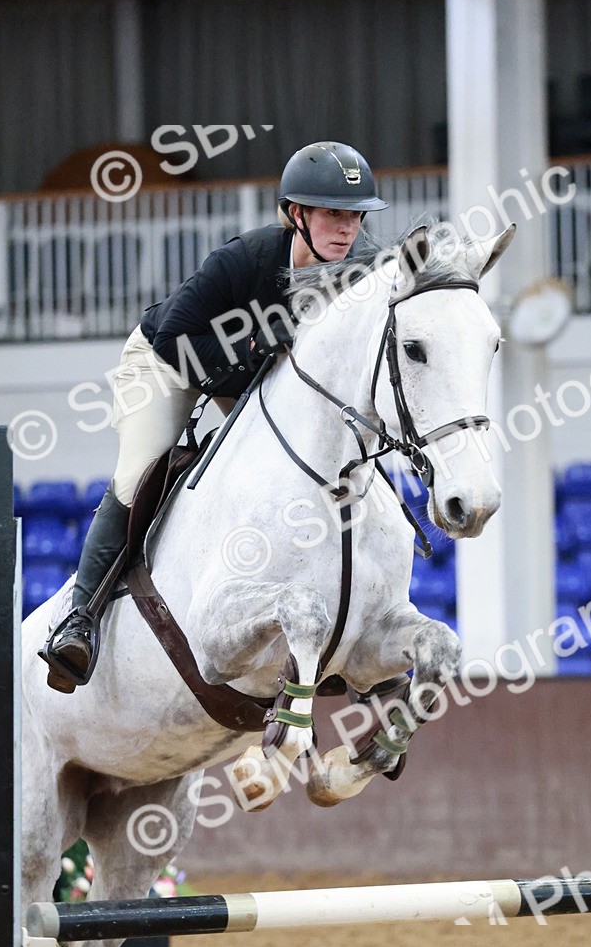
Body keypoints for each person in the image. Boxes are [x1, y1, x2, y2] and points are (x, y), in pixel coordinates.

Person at [41, 141, 388, 693]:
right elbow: (178, 341)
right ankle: (80, 620)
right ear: (297, 214)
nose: (346, 228)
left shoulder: (361, 271)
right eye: (332, 214)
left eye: (354, 215)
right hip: (164, 364)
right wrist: (251, 349)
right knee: (143, 470)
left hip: (250, 375)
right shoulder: (245, 259)